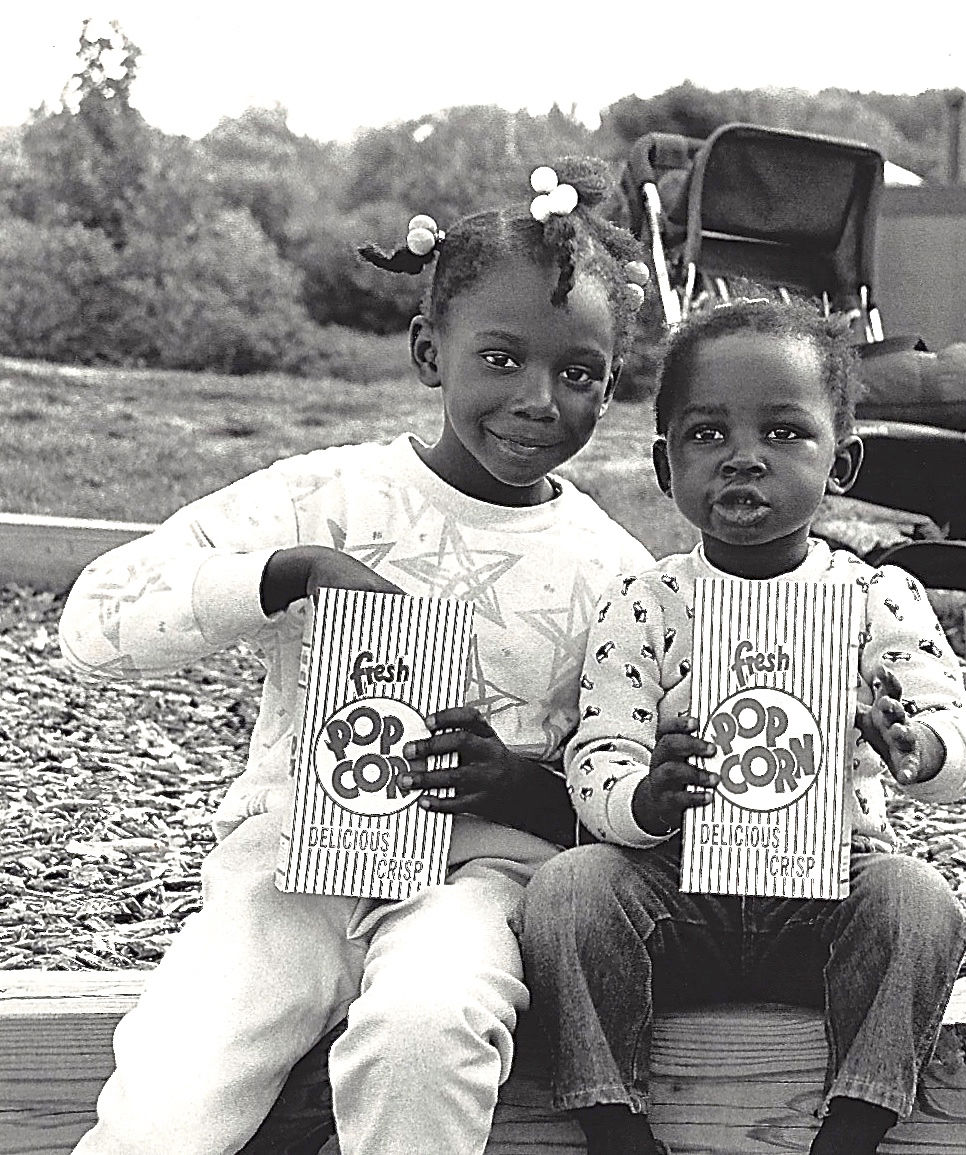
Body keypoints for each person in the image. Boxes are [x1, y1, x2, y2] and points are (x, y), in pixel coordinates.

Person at [57, 158, 656, 1155]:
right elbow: (94, 623)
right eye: (500, 357)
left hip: (476, 888)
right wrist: (291, 572)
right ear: (429, 352)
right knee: (173, 1091)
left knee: (424, 1031)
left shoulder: (617, 573)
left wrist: (515, 783)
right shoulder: (327, 498)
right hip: (289, 866)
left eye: (578, 373)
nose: (539, 399)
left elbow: (625, 800)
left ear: (610, 383)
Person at [519, 298, 966, 1155]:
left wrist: (915, 746)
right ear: (664, 466)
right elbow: (598, 759)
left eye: (784, 432)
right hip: (675, 895)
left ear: (842, 461)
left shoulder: (876, 597)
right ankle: (613, 1124)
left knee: (918, 901)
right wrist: (645, 797)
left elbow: (960, 742)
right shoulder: (647, 603)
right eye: (706, 434)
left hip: (829, 892)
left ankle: (854, 1125)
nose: (743, 457)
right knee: (568, 890)